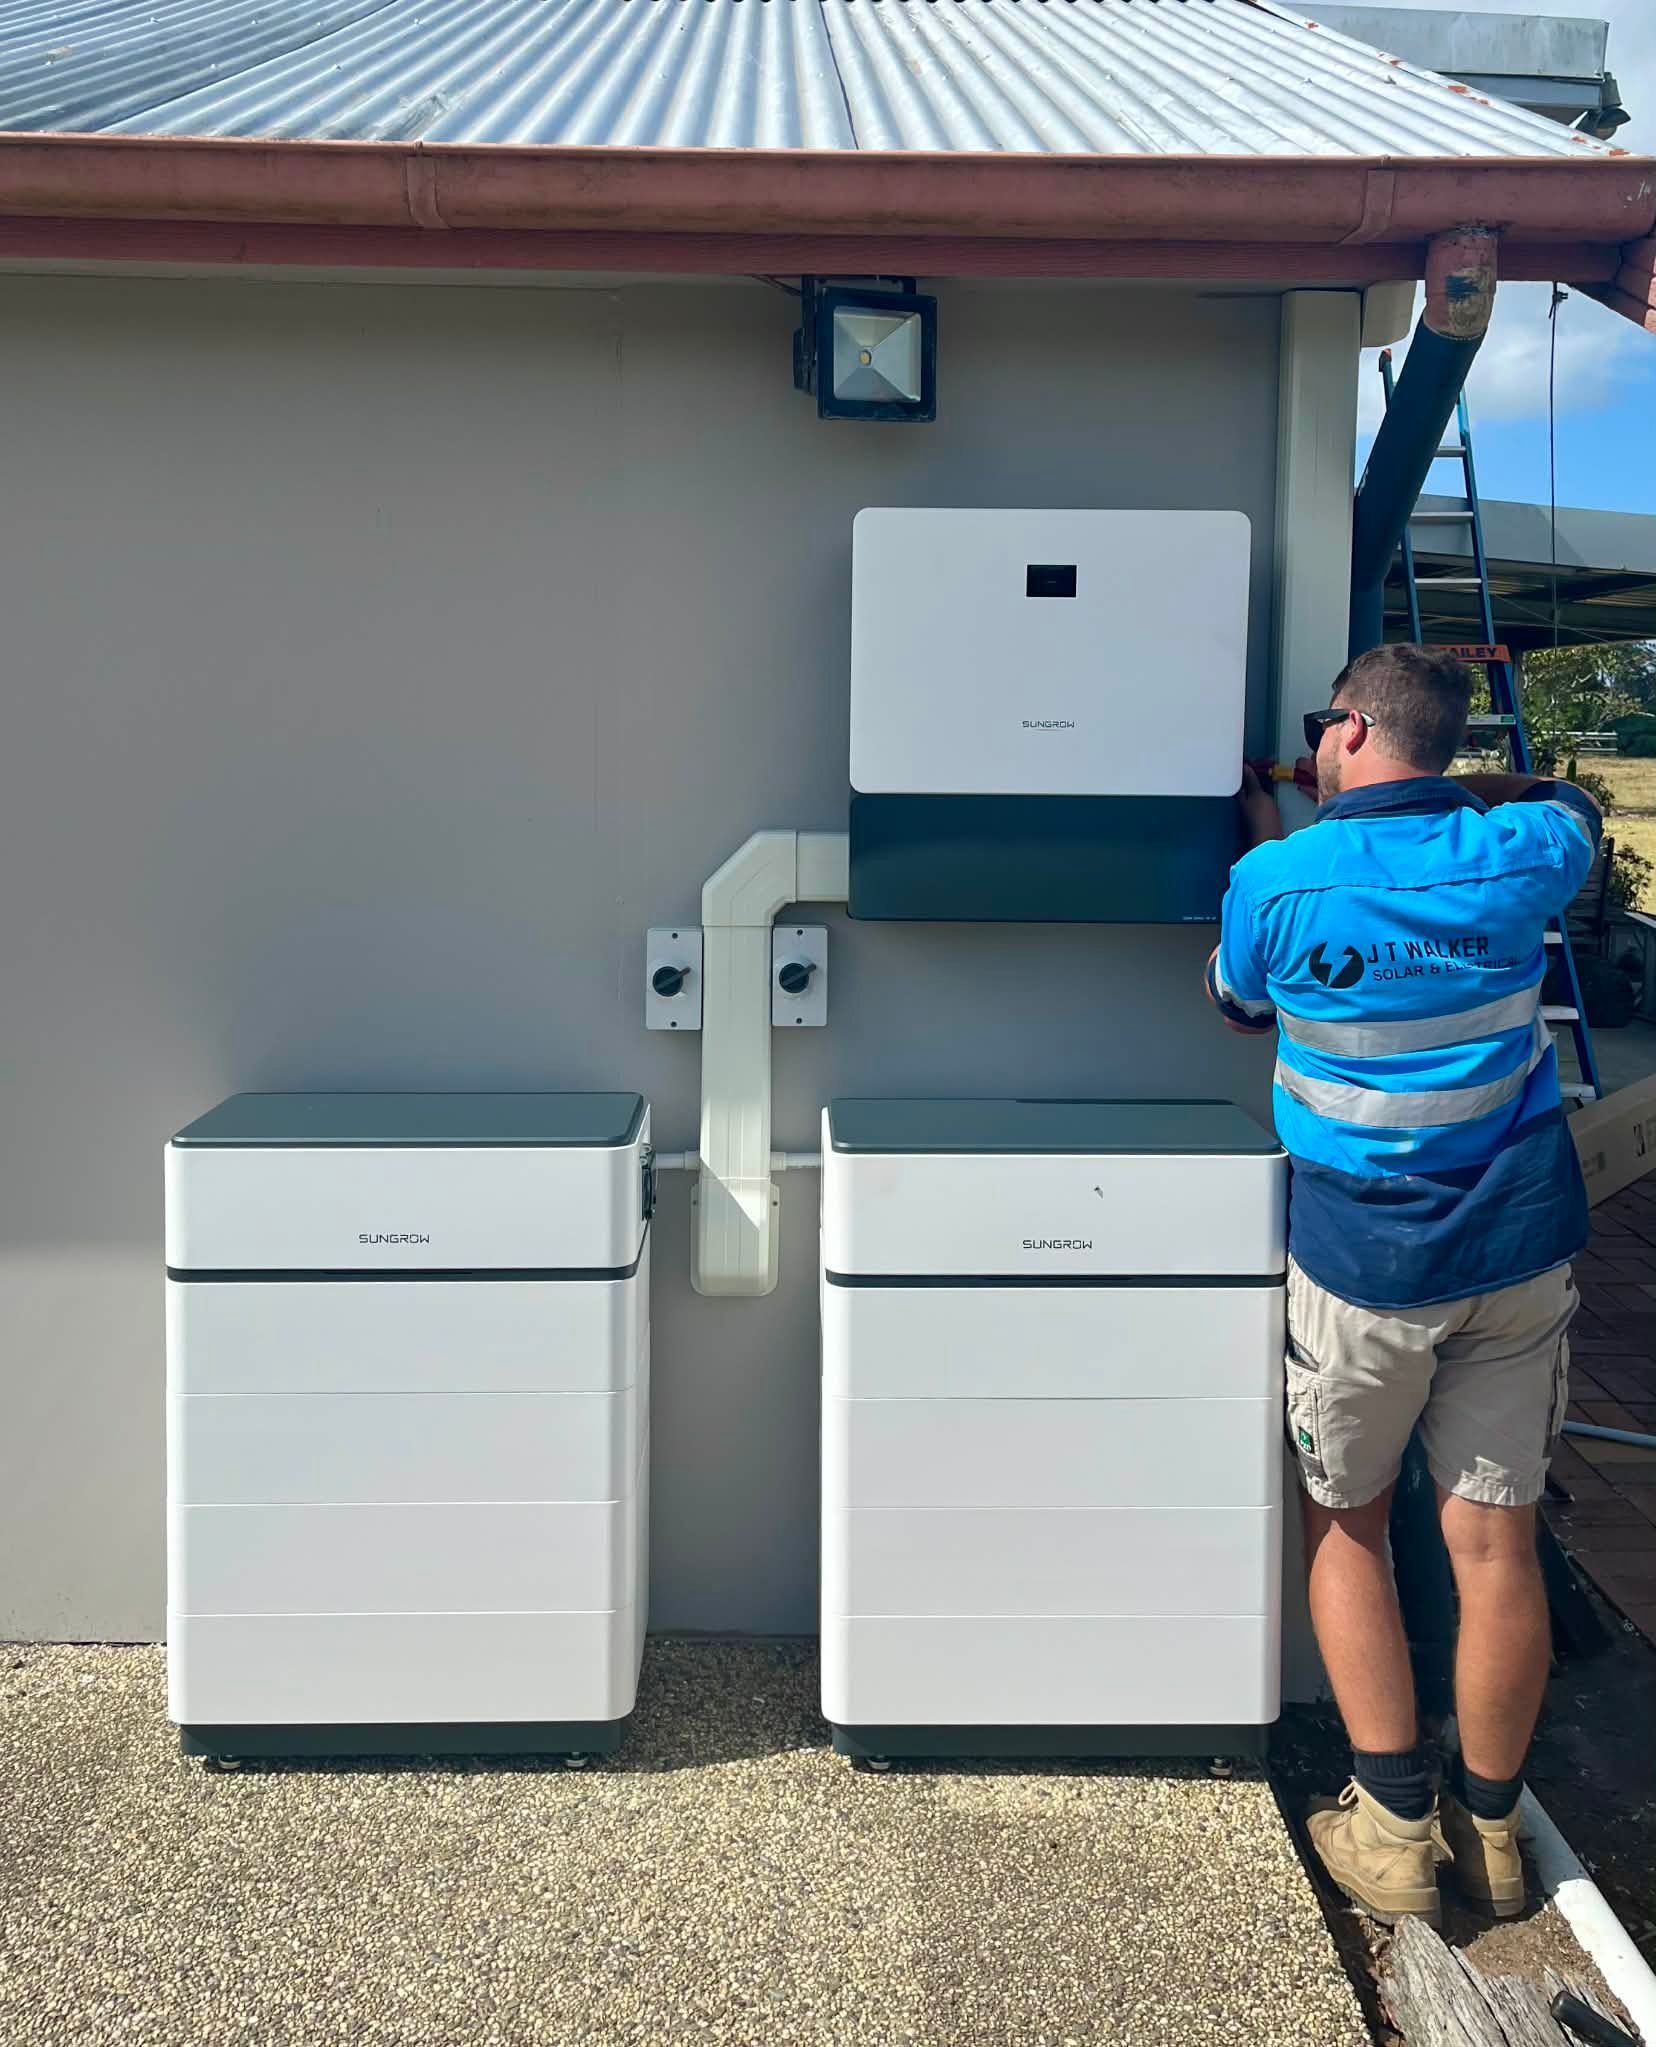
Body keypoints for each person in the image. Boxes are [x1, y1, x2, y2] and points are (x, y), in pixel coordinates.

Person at [1206, 642, 1600, 1928]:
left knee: (1350, 1523)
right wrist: (1454, 783)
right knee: (1495, 1543)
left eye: (1329, 725)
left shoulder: (1270, 879)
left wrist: (1276, 834)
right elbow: (1578, 812)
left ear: (1357, 731)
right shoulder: (1522, 852)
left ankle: (1393, 1828)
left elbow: (1239, 1005)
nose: (1316, 741)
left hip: (1366, 1267)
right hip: (1517, 1252)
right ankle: (1494, 1837)